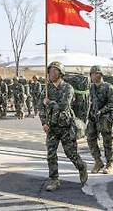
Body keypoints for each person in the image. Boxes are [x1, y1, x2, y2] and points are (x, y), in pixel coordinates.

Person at [39, 61, 88, 192]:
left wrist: (49, 103)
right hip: (52, 127)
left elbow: (63, 105)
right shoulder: (46, 89)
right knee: (51, 154)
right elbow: (40, 107)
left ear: (60, 73)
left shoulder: (68, 88)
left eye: (54, 71)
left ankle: (82, 167)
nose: (51, 73)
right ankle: (54, 179)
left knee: (71, 153)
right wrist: (44, 122)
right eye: (50, 71)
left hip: (66, 126)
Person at [87, 65, 113, 174]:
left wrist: (102, 111)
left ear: (101, 75)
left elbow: (112, 103)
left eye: (97, 73)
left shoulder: (108, 87)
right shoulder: (90, 88)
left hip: (105, 118)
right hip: (93, 117)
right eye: (93, 74)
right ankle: (98, 161)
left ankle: (110, 164)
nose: (95, 76)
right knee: (90, 138)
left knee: (107, 141)